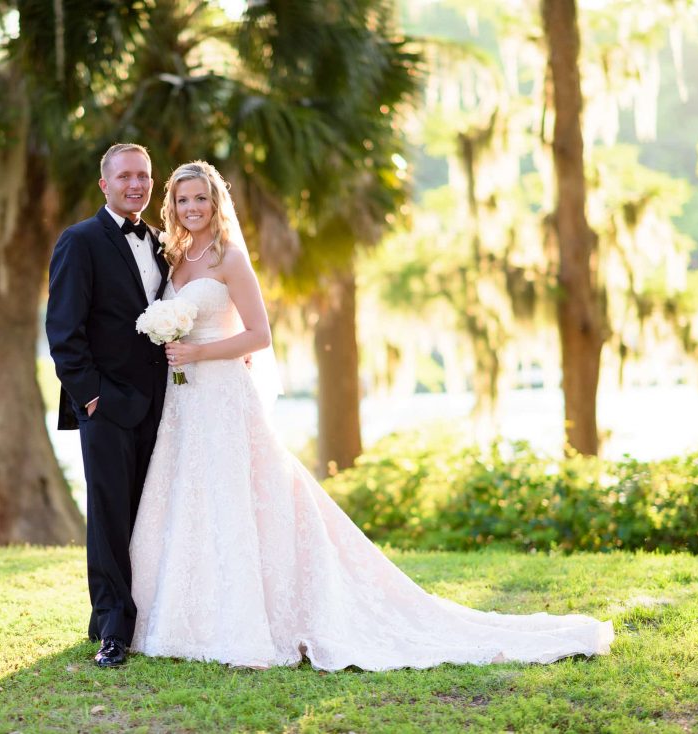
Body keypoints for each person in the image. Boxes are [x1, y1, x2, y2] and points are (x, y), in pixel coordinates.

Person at [128, 161, 614, 671]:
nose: (192, 209)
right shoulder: (176, 257)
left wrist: (199, 354)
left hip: (223, 392)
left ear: (215, 202)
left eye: (200, 199)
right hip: (185, 400)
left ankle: (247, 622)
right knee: (190, 495)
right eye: (182, 201)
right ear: (173, 206)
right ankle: (182, 619)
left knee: (236, 496)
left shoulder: (229, 260)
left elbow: (259, 337)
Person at [45, 143, 170, 668]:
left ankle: (146, 619)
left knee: (150, 514)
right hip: (107, 407)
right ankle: (113, 630)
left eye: (143, 176)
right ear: (105, 184)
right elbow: (63, 334)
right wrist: (93, 399)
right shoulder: (79, 241)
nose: (136, 184)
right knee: (109, 519)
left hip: (164, 407)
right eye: (125, 177)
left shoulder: (165, 244)